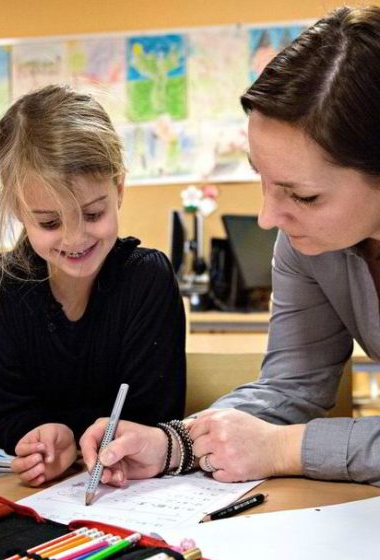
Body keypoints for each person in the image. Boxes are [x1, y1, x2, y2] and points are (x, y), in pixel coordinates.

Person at [80, 5, 380, 488]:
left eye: (303, 195)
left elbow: (279, 437)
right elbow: (291, 387)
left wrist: (287, 448)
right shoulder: (309, 243)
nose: (268, 217)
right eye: (261, 177)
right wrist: (176, 444)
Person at [0, 84, 186, 487]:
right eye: (50, 223)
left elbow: (154, 415)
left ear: (118, 189)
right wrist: (40, 437)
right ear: (19, 209)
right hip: (40, 498)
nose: (73, 239)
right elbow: (5, 411)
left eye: (92, 214)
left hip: (134, 494)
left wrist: (77, 433)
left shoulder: (147, 279)